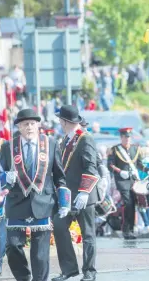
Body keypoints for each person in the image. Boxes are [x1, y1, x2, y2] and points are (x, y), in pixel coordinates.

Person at [0, 109, 70, 281]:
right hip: (16, 203)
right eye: (25, 124)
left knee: (40, 252)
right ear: (19, 127)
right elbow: (0, 173)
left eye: (32, 123)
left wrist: (64, 201)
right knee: (13, 246)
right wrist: (4, 177)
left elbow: (60, 176)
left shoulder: (51, 144)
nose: (29, 127)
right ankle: (24, 277)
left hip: (43, 202)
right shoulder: (8, 146)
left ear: (38, 125)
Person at [52, 105, 100, 281]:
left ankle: (89, 272)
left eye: (60, 120)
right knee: (58, 227)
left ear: (65, 122)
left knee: (88, 234)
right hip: (67, 197)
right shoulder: (65, 140)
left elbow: (91, 167)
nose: (59, 122)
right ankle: (69, 269)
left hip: (83, 195)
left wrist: (85, 192)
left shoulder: (85, 139)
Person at [107, 127, 147, 240]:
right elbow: (110, 165)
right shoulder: (115, 150)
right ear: (121, 138)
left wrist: (146, 169)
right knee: (128, 202)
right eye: (125, 137)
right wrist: (120, 171)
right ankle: (125, 230)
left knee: (133, 204)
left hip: (133, 180)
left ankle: (131, 230)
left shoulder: (135, 149)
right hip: (122, 180)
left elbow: (139, 164)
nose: (127, 139)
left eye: (128, 137)